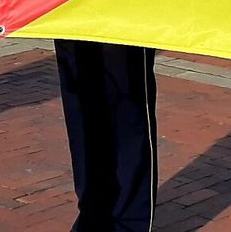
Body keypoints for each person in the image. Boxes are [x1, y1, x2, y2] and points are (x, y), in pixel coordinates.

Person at [55, 41, 158, 232]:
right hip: (64, 14)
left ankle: (128, 223)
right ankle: (91, 218)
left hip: (124, 19)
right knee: (81, 106)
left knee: (126, 106)